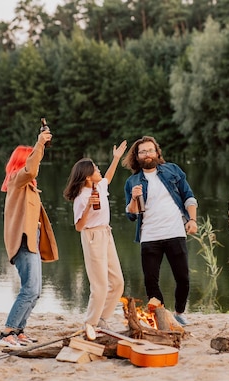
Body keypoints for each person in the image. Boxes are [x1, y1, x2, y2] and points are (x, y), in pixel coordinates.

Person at [122, 136, 198, 326]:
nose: (147, 154)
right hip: (150, 236)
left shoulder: (172, 170)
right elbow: (131, 215)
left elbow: (188, 196)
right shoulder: (132, 182)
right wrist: (133, 198)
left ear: (157, 152)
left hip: (175, 232)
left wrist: (193, 220)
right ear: (137, 157)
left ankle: (179, 313)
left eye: (150, 150)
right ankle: (161, 317)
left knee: (183, 278)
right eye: (143, 152)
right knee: (150, 281)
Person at [0, 129, 58, 348]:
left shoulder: (28, 187)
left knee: (36, 291)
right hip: (23, 242)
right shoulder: (17, 180)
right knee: (29, 290)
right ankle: (6, 333)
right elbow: (31, 170)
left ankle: (19, 330)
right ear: (23, 161)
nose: (36, 166)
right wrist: (40, 143)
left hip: (32, 241)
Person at [63, 141, 127, 340]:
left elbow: (108, 177)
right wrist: (89, 207)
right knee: (99, 286)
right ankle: (90, 324)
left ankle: (102, 319)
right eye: (96, 169)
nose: (99, 170)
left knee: (117, 282)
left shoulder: (99, 186)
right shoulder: (82, 197)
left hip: (106, 234)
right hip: (91, 237)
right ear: (88, 176)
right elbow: (79, 227)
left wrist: (116, 157)